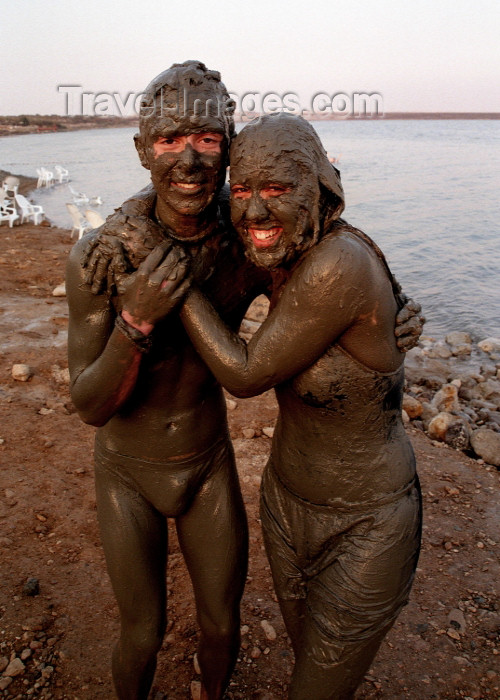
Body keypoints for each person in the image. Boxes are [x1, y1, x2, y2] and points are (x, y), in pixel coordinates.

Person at [67, 61, 423, 699]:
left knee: (222, 625)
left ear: (227, 148)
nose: (188, 159)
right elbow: (89, 404)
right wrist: (133, 323)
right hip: (127, 466)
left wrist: (393, 301)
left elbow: (320, 250)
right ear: (142, 150)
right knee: (142, 634)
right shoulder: (105, 255)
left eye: (207, 141)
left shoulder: (241, 244)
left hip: (208, 462)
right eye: (169, 140)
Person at [172, 113, 422, 700]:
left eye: (279, 189)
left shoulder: (340, 262)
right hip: (287, 506)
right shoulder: (280, 250)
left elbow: (244, 373)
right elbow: (182, 210)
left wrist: (174, 285)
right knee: (310, 665)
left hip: (366, 522)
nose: (255, 211)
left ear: (318, 187)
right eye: (242, 189)